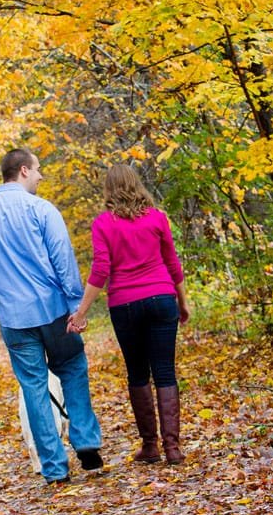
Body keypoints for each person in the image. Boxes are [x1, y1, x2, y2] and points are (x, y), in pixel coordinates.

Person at [0, 147, 103, 484]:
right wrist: (75, 308)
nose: (40, 176)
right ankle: (87, 445)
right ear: (23, 170)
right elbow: (64, 261)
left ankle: (54, 468)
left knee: (34, 387)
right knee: (73, 368)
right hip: (52, 310)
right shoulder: (42, 209)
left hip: (14, 319)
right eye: (37, 170)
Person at [67, 164, 190, 465]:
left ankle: (151, 445)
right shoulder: (158, 218)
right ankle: (172, 447)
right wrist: (182, 302)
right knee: (165, 371)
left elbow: (101, 270)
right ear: (137, 185)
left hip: (125, 304)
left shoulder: (103, 224)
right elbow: (172, 263)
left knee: (137, 373)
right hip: (162, 297)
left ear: (109, 190)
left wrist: (80, 313)